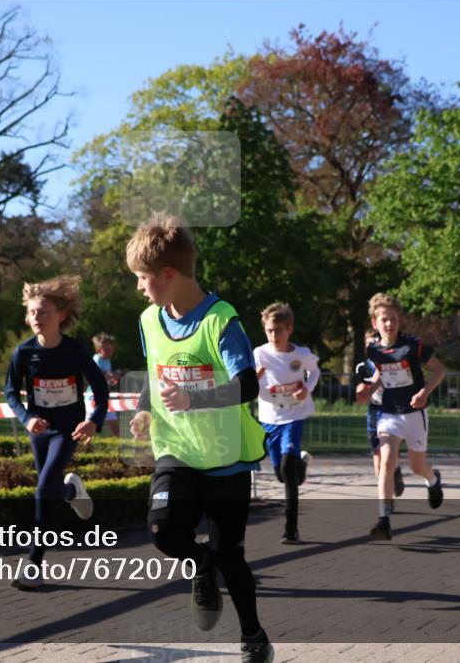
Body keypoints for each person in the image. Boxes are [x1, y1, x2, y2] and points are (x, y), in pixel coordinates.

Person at [127, 213, 274, 663]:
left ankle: (253, 637)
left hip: (226, 458)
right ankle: (200, 565)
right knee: (163, 530)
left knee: (231, 555)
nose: (139, 287)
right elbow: (155, 373)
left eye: (142, 278)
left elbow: (247, 385)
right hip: (177, 452)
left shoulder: (220, 321)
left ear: (168, 275)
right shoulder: (150, 320)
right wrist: (145, 410)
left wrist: (195, 399)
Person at [3, 274, 110, 589]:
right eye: (33, 312)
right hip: (39, 430)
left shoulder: (74, 351)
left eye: (44, 312)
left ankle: (33, 564)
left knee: (42, 487)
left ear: (61, 316)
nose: (37, 317)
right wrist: (26, 419)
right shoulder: (22, 353)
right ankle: (71, 492)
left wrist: (94, 420)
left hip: (68, 429)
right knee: (49, 491)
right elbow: (10, 392)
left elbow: (101, 388)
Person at [357, 293, 446, 542]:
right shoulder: (373, 349)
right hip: (389, 414)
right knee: (386, 461)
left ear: (400, 320)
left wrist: (424, 392)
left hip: (415, 414)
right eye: (384, 319)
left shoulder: (412, 345)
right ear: (375, 322)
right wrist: (368, 390)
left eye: (393, 319)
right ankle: (383, 519)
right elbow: (380, 376)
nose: (389, 324)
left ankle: (433, 478)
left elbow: (440, 369)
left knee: (417, 467)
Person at [253, 302, 319, 544]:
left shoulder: (300, 354)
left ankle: (291, 529)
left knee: (287, 470)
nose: (274, 336)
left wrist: (306, 390)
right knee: (281, 473)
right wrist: (254, 379)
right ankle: (300, 462)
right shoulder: (260, 354)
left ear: (289, 329)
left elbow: (315, 372)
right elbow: (249, 382)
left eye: (278, 330)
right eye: (269, 330)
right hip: (270, 418)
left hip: (294, 415)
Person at [354, 329, 404, 507]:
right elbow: (360, 387)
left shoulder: (393, 361)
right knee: (377, 454)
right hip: (375, 411)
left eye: (376, 340)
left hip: (392, 409)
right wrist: (360, 391)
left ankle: (395, 471)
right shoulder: (363, 367)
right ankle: (385, 498)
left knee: (389, 452)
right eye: (369, 342)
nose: (373, 345)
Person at [86, 332, 121, 437]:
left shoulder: (107, 360)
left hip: (105, 396)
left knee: (114, 424)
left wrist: (113, 378)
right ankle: (84, 448)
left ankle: (120, 447)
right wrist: (111, 375)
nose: (110, 353)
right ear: (99, 349)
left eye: (111, 350)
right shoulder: (97, 359)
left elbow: (107, 376)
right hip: (93, 397)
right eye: (107, 350)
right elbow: (96, 376)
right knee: (88, 427)